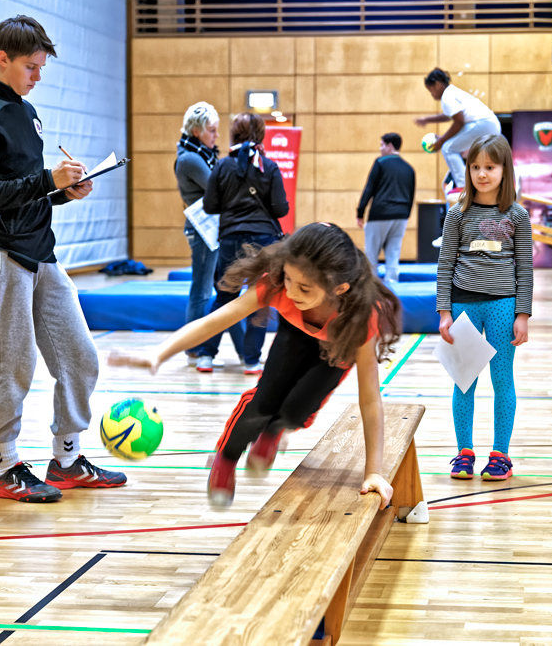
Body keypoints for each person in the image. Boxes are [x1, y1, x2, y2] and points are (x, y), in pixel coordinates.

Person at [0, 15, 125, 503]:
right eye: (31, 66)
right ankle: (6, 466)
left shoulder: (26, 113)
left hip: (39, 250)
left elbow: (28, 191)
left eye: (41, 67)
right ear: (2, 58)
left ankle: (66, 459)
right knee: (13, 361)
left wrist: (65, 192)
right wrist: (50, 179)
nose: (38, 76)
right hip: (0, 250)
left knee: (79, 355)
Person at [110, 222, 401, 508]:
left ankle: (274, 432)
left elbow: (370, 399)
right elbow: (215, 321)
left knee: (298, 412)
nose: (291, 292)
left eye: (304, 288)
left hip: (339, 343)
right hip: (296, 332)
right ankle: (226, 457)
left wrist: (374, 471)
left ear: (340, 288)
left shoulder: (360, 318)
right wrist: (159, 353)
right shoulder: (278, 286)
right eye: (288, 279)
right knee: (263, 402)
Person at [436, 135, 533, 482]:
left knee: (501, 378)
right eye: (475, 167)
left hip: (503, 306)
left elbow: (524, 268)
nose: (481, 174)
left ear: (504, 169)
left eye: (489, 167)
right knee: (465, 381)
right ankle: (464, 452)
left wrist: (522, 315)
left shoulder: (517, 215)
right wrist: (444, 311)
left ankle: (500, 454)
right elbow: (445, 263)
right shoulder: (457, 214)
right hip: (464, 305)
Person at [201, 113, 289, 375]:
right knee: (259, 299)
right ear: (261, 134)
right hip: (264, 241)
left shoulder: (221, 166)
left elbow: (210, 206)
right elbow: (280, 209)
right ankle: (251, 360)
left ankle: (206, 355)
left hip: (230, 239)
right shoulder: (269, 166)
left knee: (224, 298)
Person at [174, 101, 220, 367]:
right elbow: (217, 188)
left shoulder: (200, 153)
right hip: (202, 231)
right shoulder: (191, 158)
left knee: (216, 286)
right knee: (201, 291)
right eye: (211, 131)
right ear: (196, 132)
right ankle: (193, 346)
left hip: (208, 230)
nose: (215, 136)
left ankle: (204, 345)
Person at [415, 68, 500, 196]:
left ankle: (462, 186)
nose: (431, 94)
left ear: (437, 84)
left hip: (483, 124)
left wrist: (442, 140)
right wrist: (427, 120)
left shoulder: (447, 97)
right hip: (491, 124)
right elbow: (449, 116)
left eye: (430, 90)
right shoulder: (452, 92)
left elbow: (458, 121)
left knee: (448, 148)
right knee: (463, 151)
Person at [357, 133, 416, 283]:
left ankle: (371, 288)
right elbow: (411, 194)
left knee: (371, 253)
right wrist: (406, 214)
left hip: (380, 214)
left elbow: (369, 189)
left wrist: (360, 212)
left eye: (382, 144)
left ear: (390, 146)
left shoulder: (380, 162)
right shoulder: (409, 168)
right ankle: (393, 287)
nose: (380, 148)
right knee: (393, 254)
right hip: (401, 215)